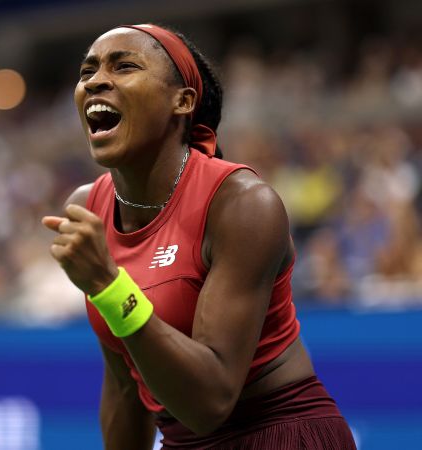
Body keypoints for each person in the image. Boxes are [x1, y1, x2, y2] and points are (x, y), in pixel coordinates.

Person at [42, 24, 356, 449]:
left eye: (125, 66)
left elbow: (210, 403)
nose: (96, 80)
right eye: (88, 71)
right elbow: (123, 386)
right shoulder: (89, 206)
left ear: (183, 101)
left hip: (276, 434)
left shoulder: (243, 204)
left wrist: (109, 287)